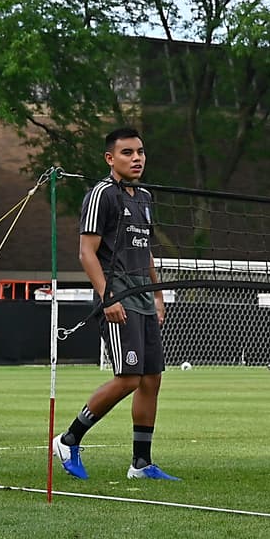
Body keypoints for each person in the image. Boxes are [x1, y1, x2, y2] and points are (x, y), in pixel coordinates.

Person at [52, 127, 179, 481]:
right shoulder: (102, 195)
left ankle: (141, 463)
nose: (136, 158)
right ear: (110, 158)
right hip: (117, 296)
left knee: (152, 379)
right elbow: (86, 253)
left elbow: (146, 252)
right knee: (128, 378)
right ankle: (68, 439)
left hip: (143, 296)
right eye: (127, 153)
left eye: (140, 151)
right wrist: (108, 296)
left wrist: (157, 294)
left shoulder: (145, 197)